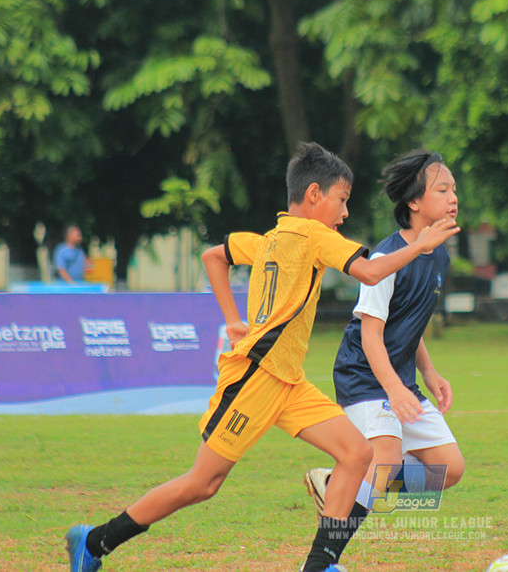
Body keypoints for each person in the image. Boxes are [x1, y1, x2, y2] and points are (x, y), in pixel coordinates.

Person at [64, 142, 459, 572]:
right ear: (314, 195)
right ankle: (95, 541)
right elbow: (369, 271)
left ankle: (320, 565)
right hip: (253, 381)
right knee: (202, 484)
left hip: (289, 382)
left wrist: (234, 320)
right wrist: (421, 244)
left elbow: (214, 256)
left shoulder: (270, 238)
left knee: (357, 454)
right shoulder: (314, 236)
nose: (345, 213)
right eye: (342, 200)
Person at [304, 150, 465, 526]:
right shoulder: (385, 258)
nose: (454, 198)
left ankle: (339, 481)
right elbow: (372, 335)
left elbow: (410, 322)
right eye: (443, 190)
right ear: (414, 202)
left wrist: (429, 373)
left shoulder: (439, 257)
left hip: (400, 381)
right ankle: (333, 536)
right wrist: (393, 389)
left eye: (454, 190)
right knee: (385, 467)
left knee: (449, 469)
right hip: (364, 376)